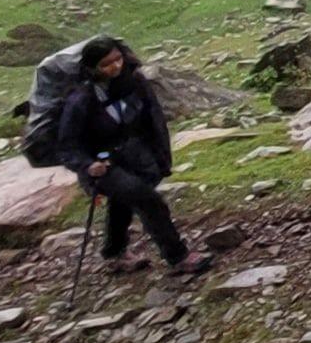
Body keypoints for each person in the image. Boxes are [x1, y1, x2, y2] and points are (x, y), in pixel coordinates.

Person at [48, 36, 213, 277]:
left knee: (123, 201)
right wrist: (87, 165)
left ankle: (114, 254)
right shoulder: (81, 100)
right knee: (149, 201)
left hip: (137, 157)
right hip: (102, 166)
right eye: (106, 64)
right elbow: (67, 145)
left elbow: (154, 120)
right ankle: (178, 257)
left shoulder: (136, 82)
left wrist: (161, 157)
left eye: (118, 59)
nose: (115, 66)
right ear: (92, 68)